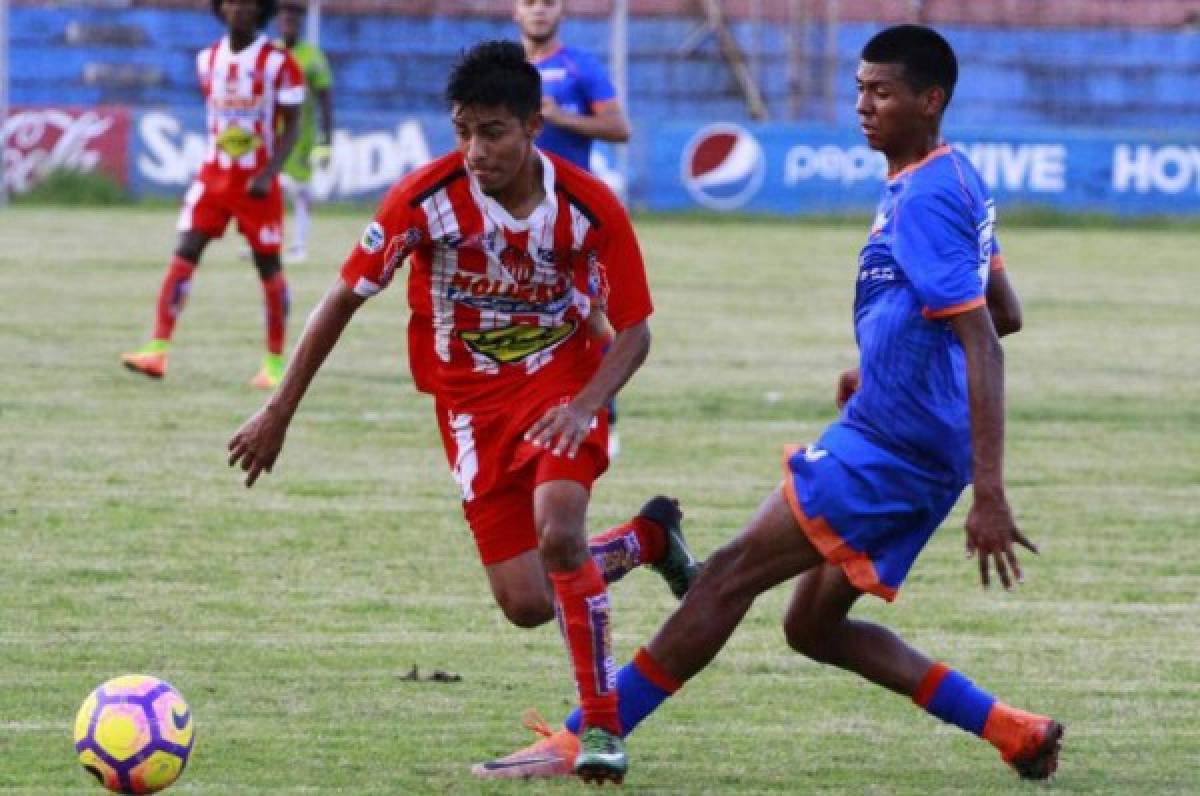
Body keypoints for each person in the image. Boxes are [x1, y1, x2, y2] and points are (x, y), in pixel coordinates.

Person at [473, 25, 1063, 785]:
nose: (863, 105)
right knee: (812, 627)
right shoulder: (956, 177)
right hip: (908, 436)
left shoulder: (925, 197)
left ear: (930, 100)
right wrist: (881, 365)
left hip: (893, 450)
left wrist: (991, 493)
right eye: (858, 88)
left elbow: (985, 338)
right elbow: (1003, 308)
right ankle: (1013, 730)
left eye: (881, 92)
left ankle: (586, 735)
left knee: (726, 574)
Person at [227, 40, 699, 772]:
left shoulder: (587, 206)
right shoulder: (424, 199)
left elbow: (635, 331)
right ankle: (645, 540)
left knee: (559, 531)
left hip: (562, 386)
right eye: (463, 130)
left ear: (533, 126)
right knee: (527, 602)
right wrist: (278, 412)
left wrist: (586, 405)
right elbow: (343, 298)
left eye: (493, 132)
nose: (475, 150)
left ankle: (602, 730)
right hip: (470, 406)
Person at [121, 0, 303, 389]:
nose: (239, 10)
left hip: (258, 183)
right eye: (231, 3)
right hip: (214, 177)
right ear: (220, 9)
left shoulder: (278, 63)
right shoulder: (207, 60)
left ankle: (273, 365)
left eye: (248, 4)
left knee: (268, 267)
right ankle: (157, 350)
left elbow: (292, 126)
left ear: (262, 11)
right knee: (184, 251)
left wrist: (269, 172)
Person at [515, 0, 633, 458]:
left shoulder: (579, 67)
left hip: (570, 213)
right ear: (515, 12)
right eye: (530, 3)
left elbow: (619, 127)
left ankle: (607, 415)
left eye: (548, 3)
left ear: (560, 11)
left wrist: (558, 117)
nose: (539, 11)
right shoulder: (507, 71)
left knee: (589, 314)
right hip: (516, 216)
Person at [276, 0, 333, 264]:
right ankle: (266, 240)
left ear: (299, 24)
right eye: (284, 18)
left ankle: (299, 245)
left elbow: (325, 100)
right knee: (269, 191)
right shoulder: (271, 53)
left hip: (300, 137)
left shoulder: (312, 57)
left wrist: (326, 140)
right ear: (277, 22)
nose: (288, 23)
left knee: (299, 191)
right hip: (271, 135)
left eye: (293, 19)